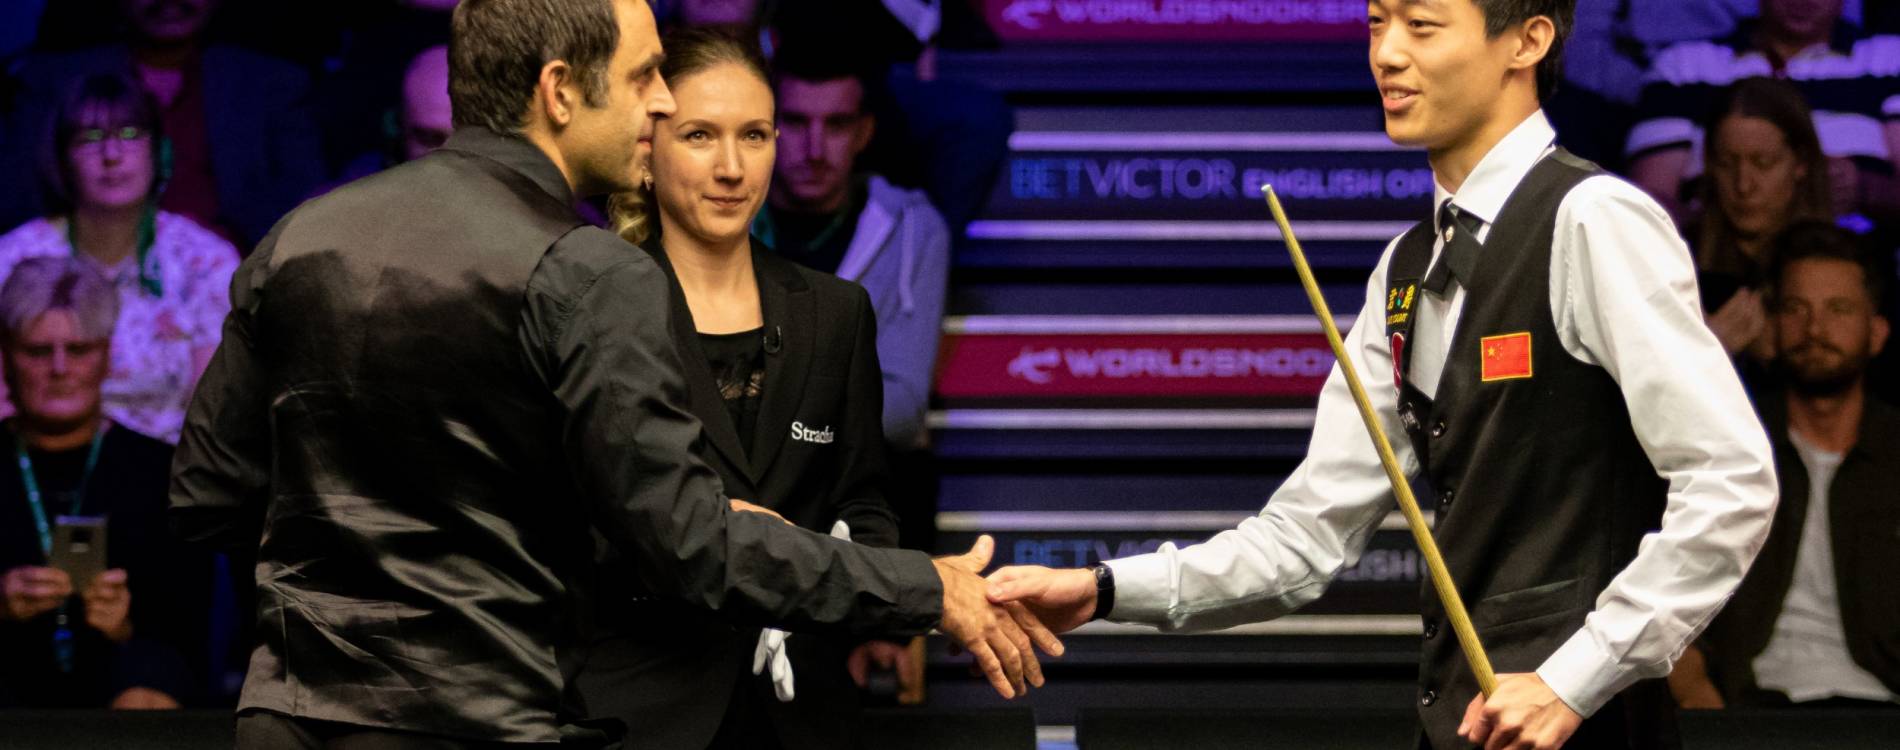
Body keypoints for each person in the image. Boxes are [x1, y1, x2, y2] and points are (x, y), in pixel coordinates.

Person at [168, 1, 1055, 747]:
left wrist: (339, 591)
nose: (660, 102)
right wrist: (920, 585)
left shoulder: (298, 236)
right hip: (485, 722)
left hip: (289, 722)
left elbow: (207, 492)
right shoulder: (587, 269)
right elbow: (690, 545)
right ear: (559, 91)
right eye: (643, 78)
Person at [985, 2, 1778, 749]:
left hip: (1592, 730)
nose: (1387, 54)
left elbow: (1732, 483)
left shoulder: (1594, 219)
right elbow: (1302, 541)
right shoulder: (1405, 267)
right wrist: (1104, 589)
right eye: (1375, 24)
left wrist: (1575, 677)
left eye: (1424, 27)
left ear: (1527, 42)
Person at [580, 29, 917, 749]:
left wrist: (836, 561)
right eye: (701, 135)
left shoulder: (836, 312)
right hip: (638, 705)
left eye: (755, 135)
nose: (732, 167)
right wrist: (746, 556)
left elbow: (864, 498)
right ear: (647, 150)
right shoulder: (594, 308)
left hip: (802, 707)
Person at [1668, 222, 1899, 710]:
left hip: (1882, 708)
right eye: (1796, 309)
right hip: (1747, 709)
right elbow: (1658, 574)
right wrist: (1693, 686)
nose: (1815, 330)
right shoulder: (1727, 445)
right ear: (1772, 324)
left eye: (1838, 310)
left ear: (1876, 333)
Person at [756, 40, 951, 553]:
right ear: (764, 128)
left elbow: (905, 412)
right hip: (750, 503)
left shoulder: (913, 227)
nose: (815, 148)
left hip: (867, 501)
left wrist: (756, 389)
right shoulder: (727, 217)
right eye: (795, 123)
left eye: (837, 125)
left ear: (864, 131)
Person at [0, 257, 214, 709]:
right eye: (38, 351)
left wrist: (126, 625)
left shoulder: (160, 470)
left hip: (123, 679)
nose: (59, 368)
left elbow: (195, 628)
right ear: (7, 356)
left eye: (78, 349)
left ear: (107, 355)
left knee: (148, 682)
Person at [0, 72, 238, 445]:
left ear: (158, 152)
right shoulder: (13, 257)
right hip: (39, 467)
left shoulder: (204, 260)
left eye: (129, 135)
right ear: (62, 160)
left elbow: (217, 415)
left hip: (168, 475)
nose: (111, 156)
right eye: (90, 139)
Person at [0, 0, 326, 248]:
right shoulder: (52, 80)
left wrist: (205, 244)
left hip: (240, 273)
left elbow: (304, 194)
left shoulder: (272, 82)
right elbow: (18, 195)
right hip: (78, 274)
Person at [1623, 0, 1900, 222]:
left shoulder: (1889, 60)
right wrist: (1726, 211)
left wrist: (1865, 189)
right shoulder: (1684, 66)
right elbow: (1647, 206)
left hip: (1858, 263)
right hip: (1711, 264)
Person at [1693, 77, 1834, 367]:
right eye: (1727, 163)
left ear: (1801, 163)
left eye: (1763, 163)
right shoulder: (1675, 263)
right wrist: (1702, 352)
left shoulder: (1841, 264)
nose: (1744, 185)